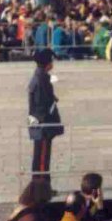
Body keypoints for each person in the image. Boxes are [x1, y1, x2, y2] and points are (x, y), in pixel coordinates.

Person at [28, 48, 62, 181]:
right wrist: (49, 126)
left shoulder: (42, 77)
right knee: (41, 158)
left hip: (42, 125)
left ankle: (43, 186)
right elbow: (40, 106)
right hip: (43, 126)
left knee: (42, 156)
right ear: (47, 63)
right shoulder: (40, 80)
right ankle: (41, 188)